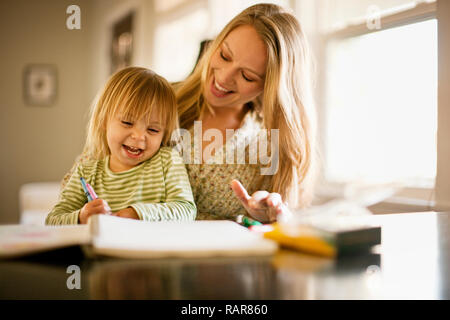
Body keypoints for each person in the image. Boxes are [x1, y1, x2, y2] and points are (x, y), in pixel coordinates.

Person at [62, 3, 317, 223]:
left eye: (247, 75)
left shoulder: (269, 140)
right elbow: (77, 183)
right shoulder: (158, 101)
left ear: (270, 86)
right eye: (224, 55)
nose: (224, 78)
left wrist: (267, 216)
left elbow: (280, 225)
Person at [46, 67, 196, 225]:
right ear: (104, 121)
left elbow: (186, 210)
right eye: (127, 123)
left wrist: (137, 214)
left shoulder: (168, 161)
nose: (138, 136)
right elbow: (53, 220)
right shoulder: (86, 171)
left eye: (153, 130)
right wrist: (82, 216)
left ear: (164, 134)